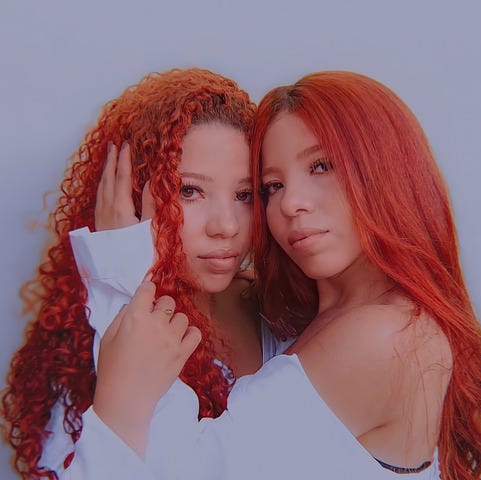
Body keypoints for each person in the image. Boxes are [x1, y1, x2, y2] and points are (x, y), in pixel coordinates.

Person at [64, 71, 481, 480]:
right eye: (272, 186)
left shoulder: (383, 338)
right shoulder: (293, 317)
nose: (291, 204)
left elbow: (189, 469)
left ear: (386, 172)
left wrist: (120, 283)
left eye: (321, 167)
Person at [1, 67, 293, 479]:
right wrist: (123, 280)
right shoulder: (86, 340)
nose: (225, 226)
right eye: (189, 191)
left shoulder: (274, 309)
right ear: (131, 195)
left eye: (244, 195)